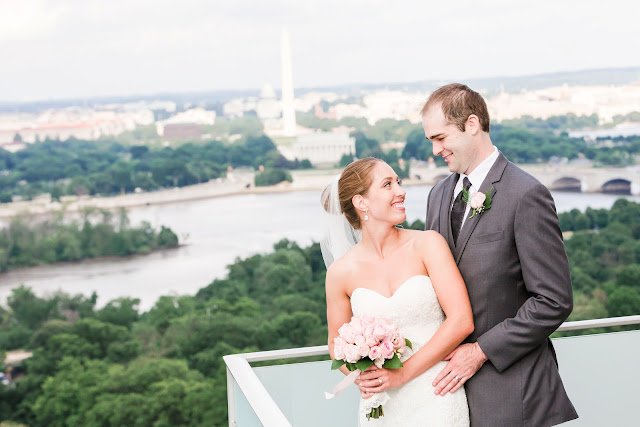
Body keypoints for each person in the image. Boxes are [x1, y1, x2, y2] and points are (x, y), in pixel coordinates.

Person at [422, 83, 578, 426]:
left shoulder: (526, 194)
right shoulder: (437, 195)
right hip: (447, 399)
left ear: (472, 124)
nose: (435, 150)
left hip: (515, 394)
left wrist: (480, 351)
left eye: (440, 138)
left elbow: (554, 300)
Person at [323, 158, 473, 426]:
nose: (400, 191)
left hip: (438, 392)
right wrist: (360, 375)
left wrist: (402, 373)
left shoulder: (428, 244)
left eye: (398, 182)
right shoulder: (339, 273)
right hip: (382, 404)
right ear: (361, 203)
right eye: (387, 185)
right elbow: (335, 343)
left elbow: (461, 321)